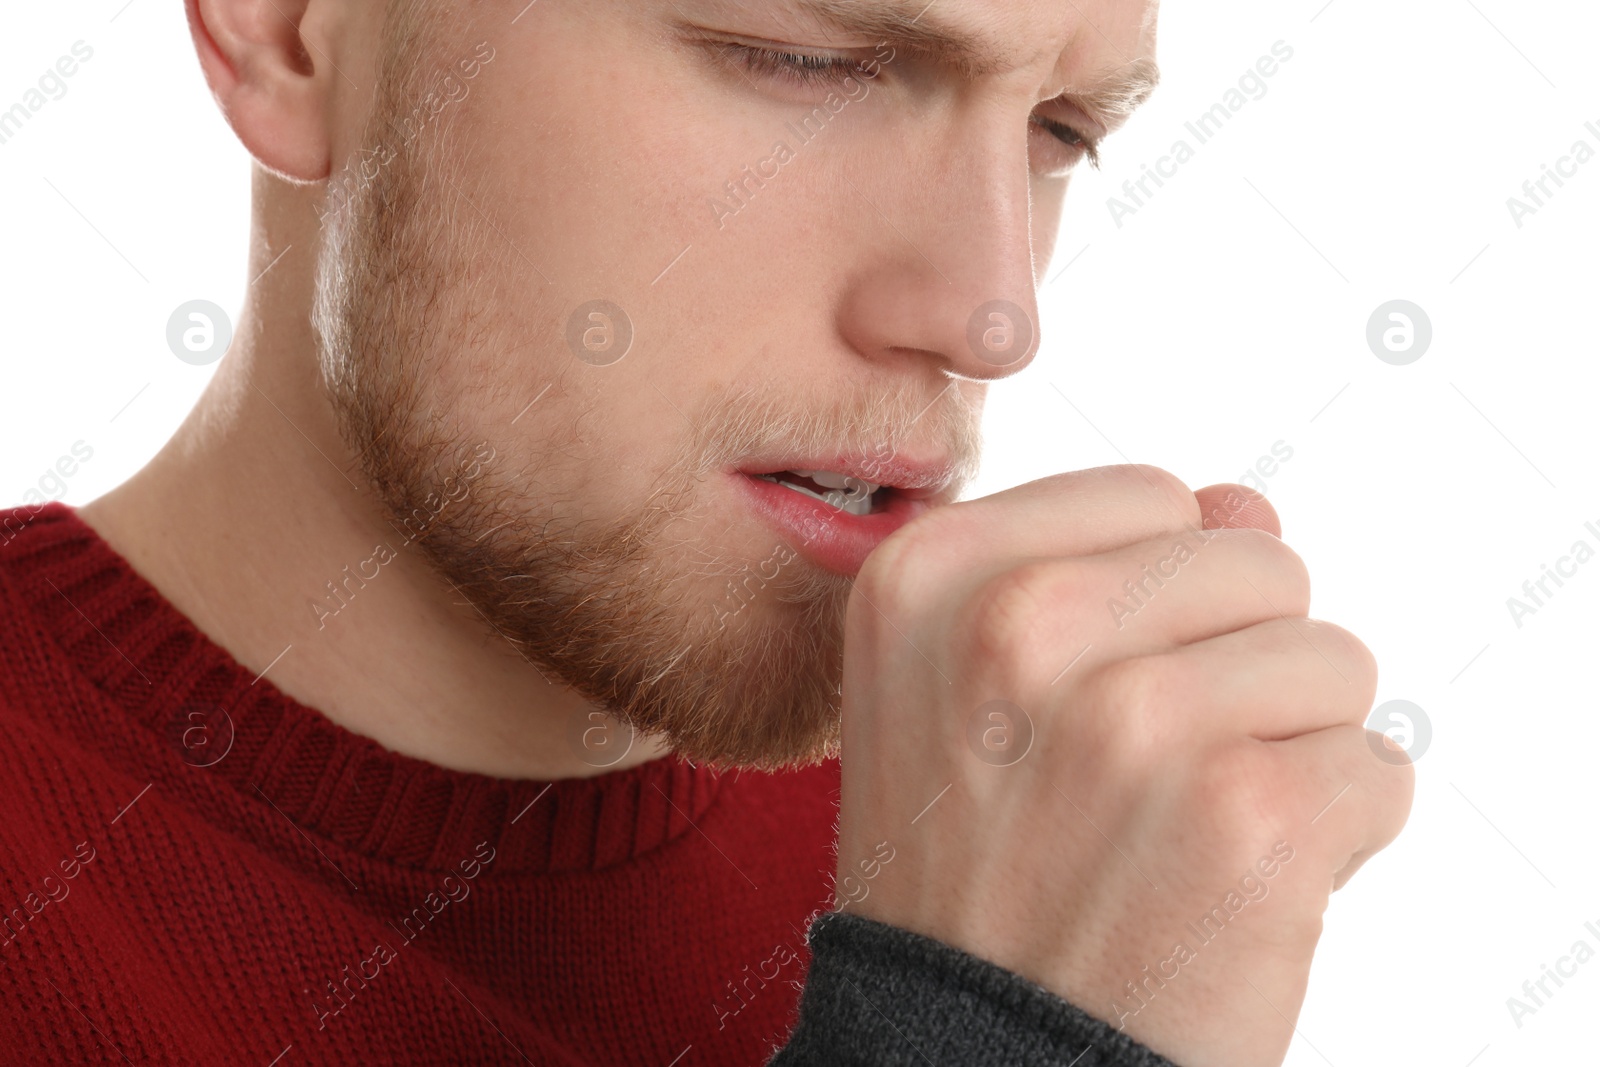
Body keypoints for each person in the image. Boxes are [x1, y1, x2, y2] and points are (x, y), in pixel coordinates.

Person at [0, 0, 1412, 1063]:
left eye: (1062, 133)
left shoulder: (1007, 848)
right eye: (807, 62)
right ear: (292, 35)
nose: (992, 317)